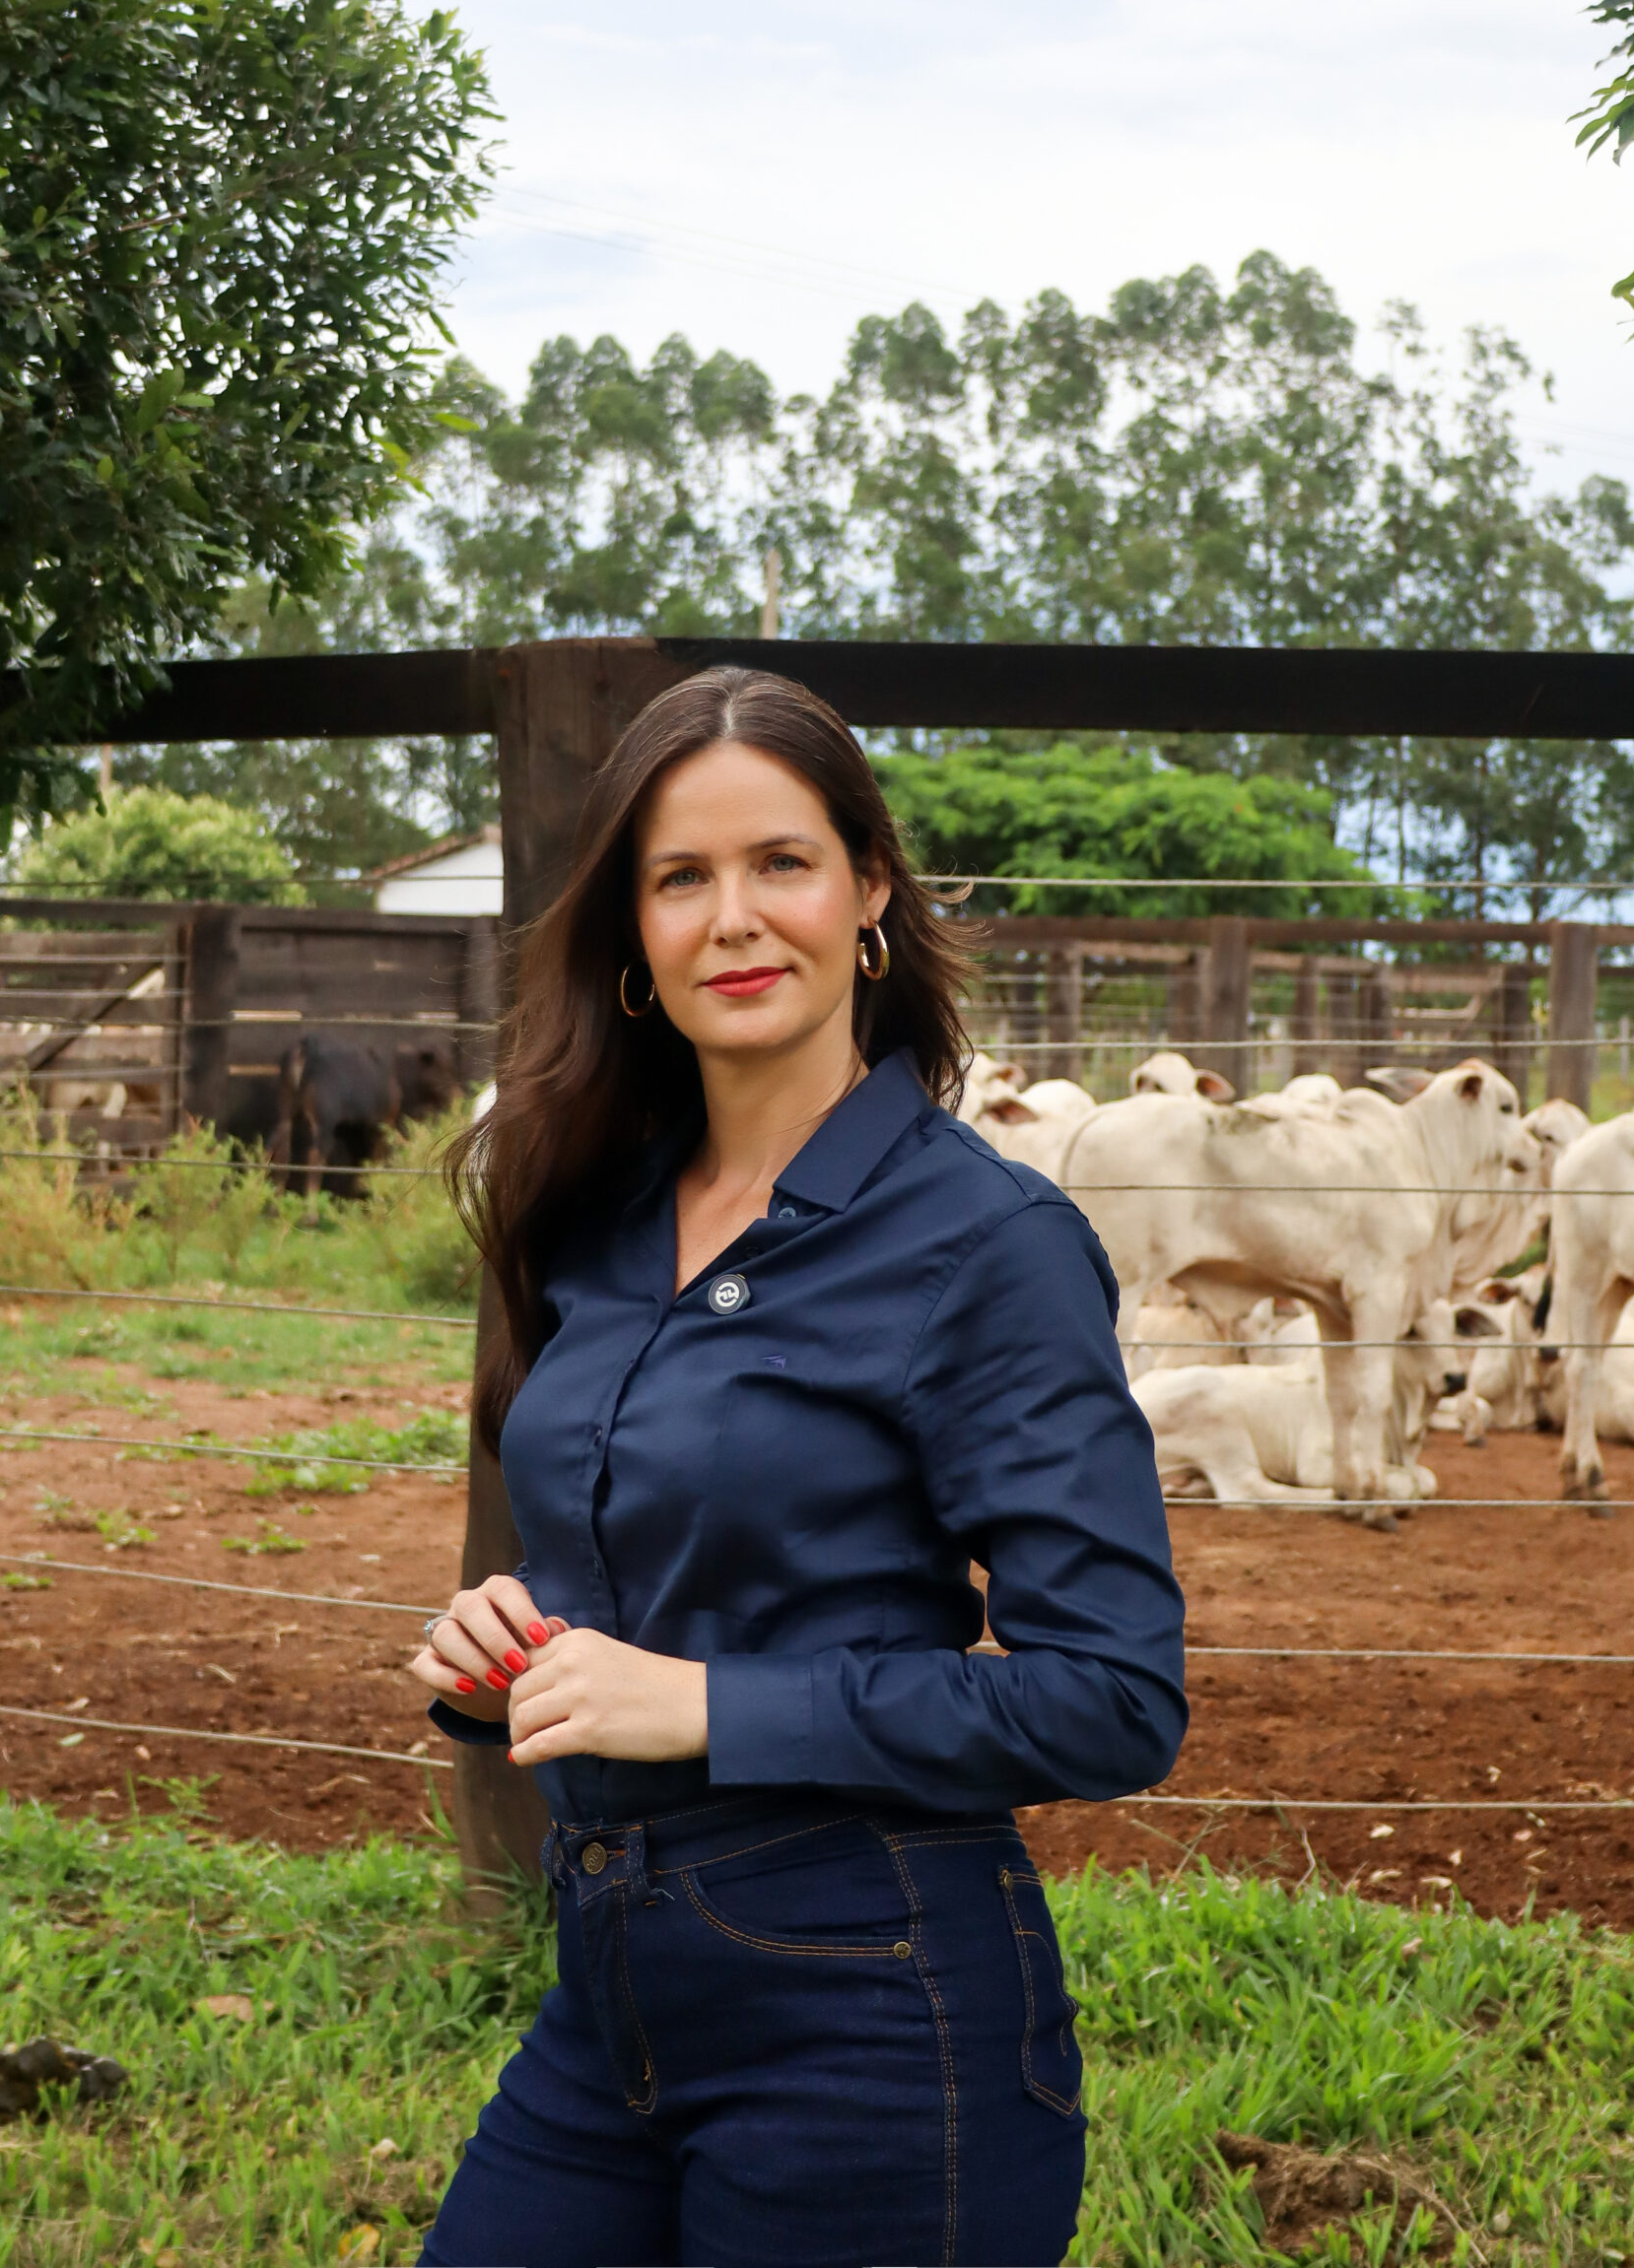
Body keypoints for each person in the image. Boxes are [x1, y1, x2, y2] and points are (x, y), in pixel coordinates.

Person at [411, 666, 1187, 2268]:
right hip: (605, 1992)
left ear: (869, 890)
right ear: (632, 929)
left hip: (873, 2019)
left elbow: (1115, 1695)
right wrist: (512, 1637)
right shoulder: (598, 1214)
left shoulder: (987, 1244)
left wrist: (701, 1703)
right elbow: (640, 1558)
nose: (735, 920)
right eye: (680, 878)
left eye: (782, 863)